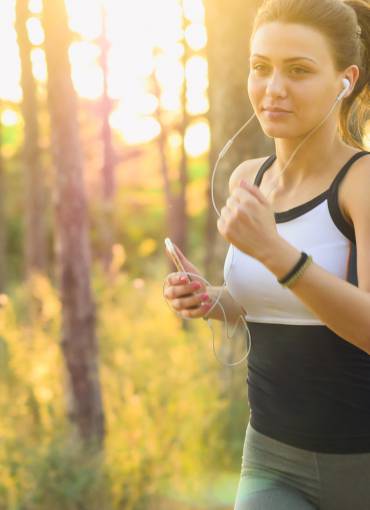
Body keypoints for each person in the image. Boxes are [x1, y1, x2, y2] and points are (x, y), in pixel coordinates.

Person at [163, 0, 370, 508]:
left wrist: (278, 254)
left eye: (298, 70)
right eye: (261, 67)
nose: (272, 89)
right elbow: (267, 303)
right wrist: (212, 299)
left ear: (345, 80)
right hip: (272, 458)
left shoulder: (361, 184)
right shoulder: (246, 180)